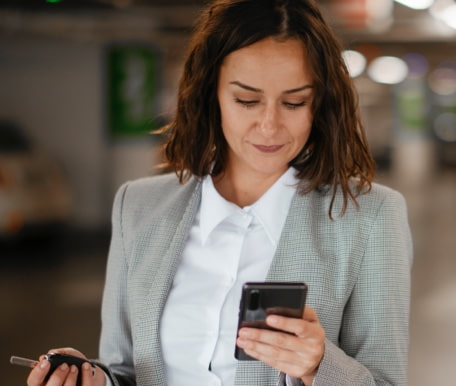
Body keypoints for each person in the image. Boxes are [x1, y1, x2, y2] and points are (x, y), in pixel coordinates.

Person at [25, 0, 412, 385]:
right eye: (246, 100)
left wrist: (319, 366)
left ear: (320, 104)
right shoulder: (139, 207)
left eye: (295, 102)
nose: (269, 125)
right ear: (211, 95)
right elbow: (125, 369)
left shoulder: (370, 218)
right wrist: (94, 380)